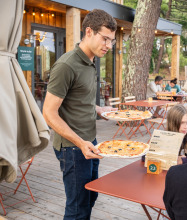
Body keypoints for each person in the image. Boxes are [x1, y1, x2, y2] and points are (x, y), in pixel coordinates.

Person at [43, 9, 117, 219]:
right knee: (77, 209)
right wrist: (80, 142)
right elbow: (49, 112)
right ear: (89, 32)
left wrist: (98, 110)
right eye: (105, 39)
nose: (108, 46)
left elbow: (77, 100)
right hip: (73, 148)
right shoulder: (67, 65)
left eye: (111, 41)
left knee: (89, 198)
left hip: (89, 142)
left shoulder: (90, 61)